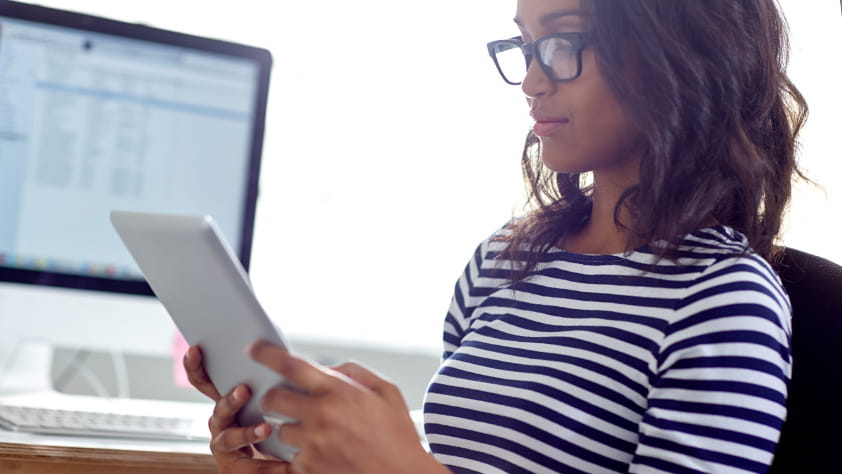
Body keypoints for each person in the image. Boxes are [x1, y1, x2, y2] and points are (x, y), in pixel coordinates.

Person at [184, 0, 807, 472]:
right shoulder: (505, 263)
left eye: (562, 44)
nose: (534, 80)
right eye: (525, 46)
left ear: (675, 51)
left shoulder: (722, 302)